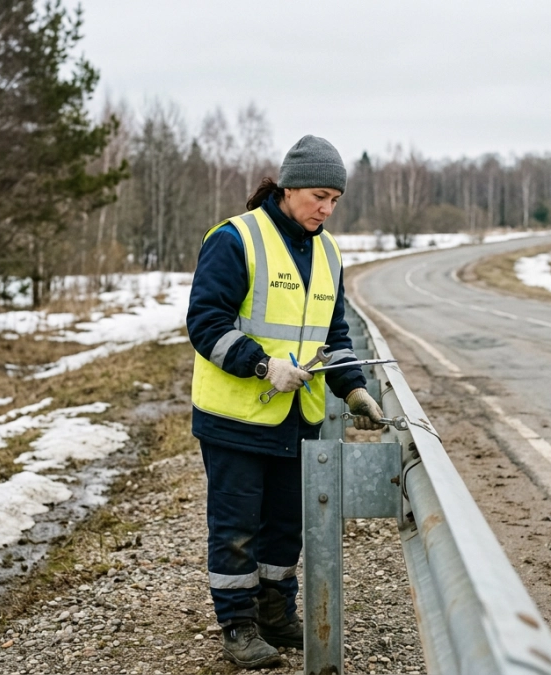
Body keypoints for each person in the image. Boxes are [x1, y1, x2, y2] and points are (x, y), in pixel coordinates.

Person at [186, 135, 387, 669]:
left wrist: (355, 388)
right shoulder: (236, 239)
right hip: (235, 419)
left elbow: (334, 335)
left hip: (297, 420)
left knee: (285, 526)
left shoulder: (328, 252)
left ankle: (276, 614)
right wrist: (262, 364)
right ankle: (238, 625)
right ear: (289, 186)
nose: (327, 208)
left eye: (336, 200)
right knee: (236, 527)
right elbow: (205, 323)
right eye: (320, 195)